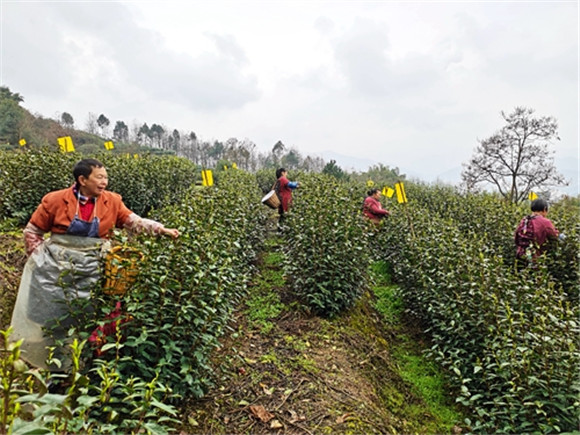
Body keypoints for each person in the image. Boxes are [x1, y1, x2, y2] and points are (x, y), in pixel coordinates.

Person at [10, 158, 180, 370]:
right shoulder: (54, 200)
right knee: (51, 314)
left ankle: (86, 363)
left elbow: (133, 221)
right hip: (56, 268)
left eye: (106, 177)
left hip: (93, 267)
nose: (105, 182)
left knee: (92, 315)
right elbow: (32, 231)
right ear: (82, 179)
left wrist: (160, 229)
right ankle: (51, 365)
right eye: (99, 177)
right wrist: (40, 258)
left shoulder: (112, 201)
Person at [514, 198, 560, 268]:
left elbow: (516, 238)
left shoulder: (524, 220)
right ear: (545, 209)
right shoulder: (544, 222)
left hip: (520, 256)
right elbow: (554, 236)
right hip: (534, 257)